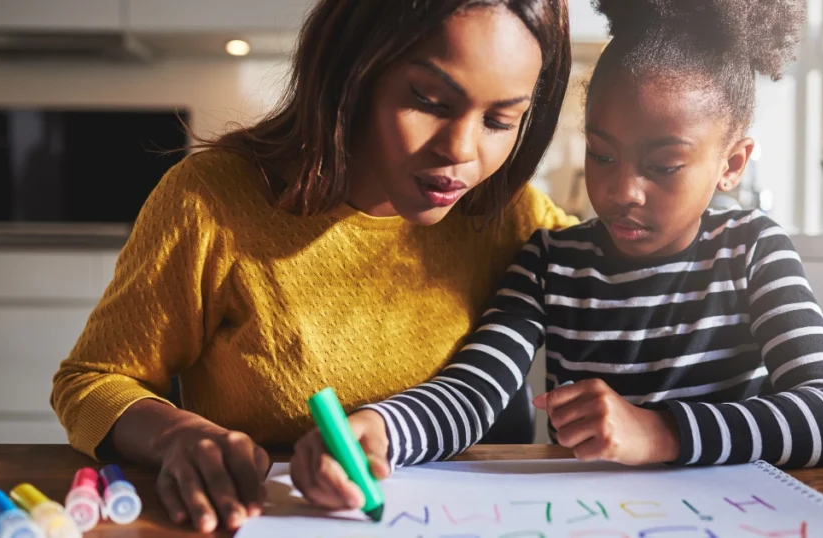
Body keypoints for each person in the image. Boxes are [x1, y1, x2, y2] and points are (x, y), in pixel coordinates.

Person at [290, 0, 823, 512]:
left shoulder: (752, 250)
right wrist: (383, 426)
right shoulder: (549, 261)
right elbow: (474, 392)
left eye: (663, 165)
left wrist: (657, 432)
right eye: (601, 154)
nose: (621, 191)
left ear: (732, 163)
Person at [50, 0, 574, 533]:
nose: (461, 150)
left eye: (499, 120)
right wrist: (176, 436)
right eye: (428, 100)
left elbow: (635, 273)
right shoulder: (212, 201)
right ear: (354, 71)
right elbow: (90, 383)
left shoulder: (510, 215)